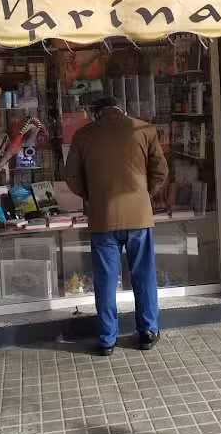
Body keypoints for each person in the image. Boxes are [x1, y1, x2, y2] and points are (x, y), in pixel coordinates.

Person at [64, 96, 169, 356]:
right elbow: (161, 170)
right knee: (143, 275)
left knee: (105, 280)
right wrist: (145, 194)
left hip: (103, 219)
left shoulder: (84, 135)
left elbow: (71, 177)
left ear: (96, 114)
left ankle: (107, 339)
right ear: (121, 110)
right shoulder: (143, 129)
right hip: (139, 217)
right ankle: (147, 332)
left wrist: (92, 196)